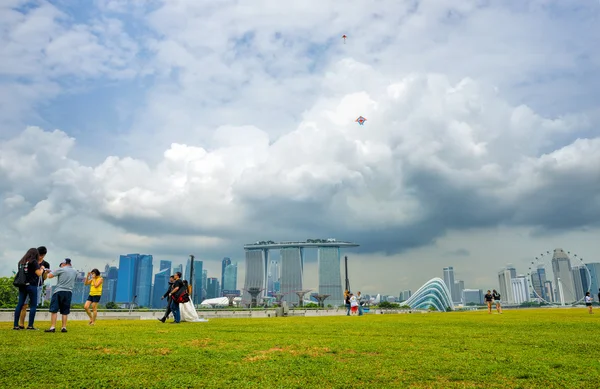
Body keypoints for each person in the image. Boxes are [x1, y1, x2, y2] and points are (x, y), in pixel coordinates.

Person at [18, 246, 50, 329]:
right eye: (39, 254)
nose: (40, 256)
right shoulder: (32, 261)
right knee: (24, 305)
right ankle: (21, 324)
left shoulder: (46, 264)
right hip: (29, 285)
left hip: (38, 285)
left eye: (42, 255)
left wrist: (45, 272)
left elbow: (44, 277)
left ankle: (30, 325)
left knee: (33, 305)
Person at [13, 248, 44, 330]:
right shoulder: (33, 262)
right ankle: (30, 325)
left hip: (22, 285)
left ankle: (15, 325)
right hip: (32, 285)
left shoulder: (21, 262)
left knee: (20, 304)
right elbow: (39, 274)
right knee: (33, 305)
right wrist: (42, 269)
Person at [45, 258, 77, 333]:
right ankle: (64, 327)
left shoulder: (61, 269)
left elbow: (49, 276)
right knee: (65, 311)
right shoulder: (75, 271)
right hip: (69, 292)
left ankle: (52, 327)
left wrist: (47, 272)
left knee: (54, 310)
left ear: (64, 263)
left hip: (59, 291)